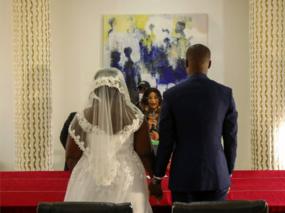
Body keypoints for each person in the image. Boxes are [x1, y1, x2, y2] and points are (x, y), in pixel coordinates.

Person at [149, 44, 238, 202]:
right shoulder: (225, 94)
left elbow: (166, 142)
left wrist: (158, 176)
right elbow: (231, 138)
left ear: (186, 64)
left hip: (183, 178)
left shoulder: (171, 96)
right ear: (209, 64)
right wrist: (227, 171)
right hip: (217, 176)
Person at [64, 68, 154, 213]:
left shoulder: (82, 117)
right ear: (121, 88)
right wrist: (154, 179)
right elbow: (145, 153)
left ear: (95, 89)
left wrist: (93, 167)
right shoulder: (135, 117)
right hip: (127, 178)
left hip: (92, 176)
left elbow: (71, 157)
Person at [141, 88, 162, 154]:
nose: (153, 101)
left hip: (161, 149)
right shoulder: (141, 115)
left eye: (156, 98)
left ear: (159, 99)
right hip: (145, 149)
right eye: (150, 98)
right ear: (146, 100)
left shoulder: (165, 114)